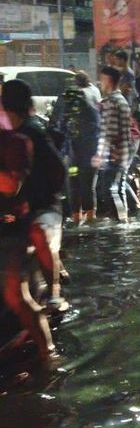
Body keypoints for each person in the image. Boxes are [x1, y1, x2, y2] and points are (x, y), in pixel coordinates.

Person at [1, 79, 68, 315]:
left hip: (44, 206)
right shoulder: (13, 132)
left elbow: (58, 171)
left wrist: (44, 201)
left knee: (38, 232)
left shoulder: (31, 132)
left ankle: (55, 295)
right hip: (17, 207)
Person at [0, 126, 55, 360]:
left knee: (16, 295)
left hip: (12, 229)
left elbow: (16, 187)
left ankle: (48, 353)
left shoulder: (15, 145)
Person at [51, 72, 101, 224]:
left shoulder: (72, 95)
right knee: (88, 185)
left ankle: (76, 218)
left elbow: (58, 122)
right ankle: (91, 219)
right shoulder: (95, 92)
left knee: (73, 184)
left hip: (74, 150)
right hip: (94, 149)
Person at [93, 66, 133, 224]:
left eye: (102, 80)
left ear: (108, 81)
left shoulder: (111, 102)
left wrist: (100, 154)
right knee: (118, 187)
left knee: (108, 189)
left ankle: (120, 223)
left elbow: (108, 132)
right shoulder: (121, 100)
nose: (100, 83)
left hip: (115, 153)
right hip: (125, 150)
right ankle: (124, 221)